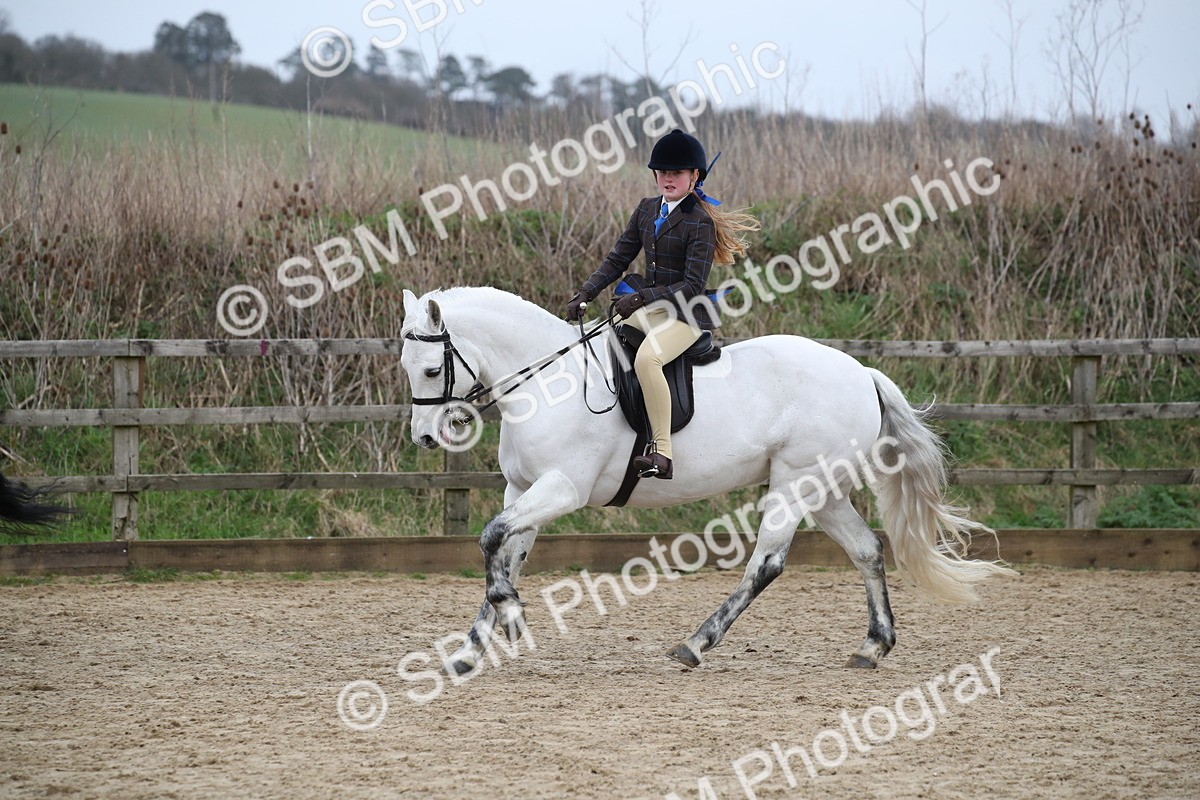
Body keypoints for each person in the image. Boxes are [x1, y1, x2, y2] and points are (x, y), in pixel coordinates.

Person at [566, 128, 760, 479]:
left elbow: (692, 285)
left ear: (694, 176)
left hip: (686, 315)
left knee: (648, 359)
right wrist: (586, 292)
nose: (668, 179)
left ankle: (662, 453)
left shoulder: (700, 222)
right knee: (606, 336)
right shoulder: (646, 209)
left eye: (677, 173)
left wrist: (641, 297)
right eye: (663, 172)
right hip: (653, 309)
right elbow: (618, 258)